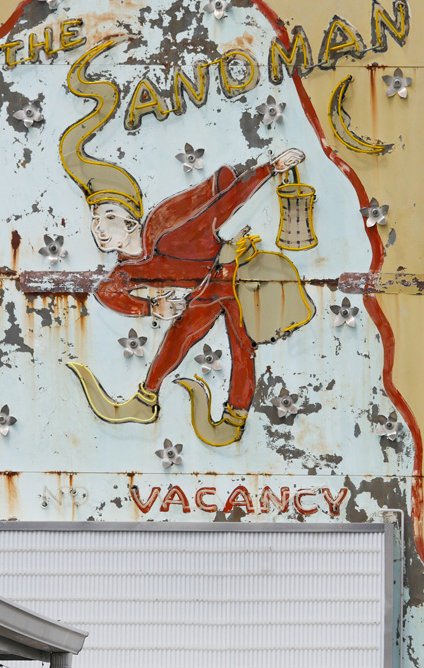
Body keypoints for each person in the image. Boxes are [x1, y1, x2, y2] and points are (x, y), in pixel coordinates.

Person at [68, 148, 306, 446]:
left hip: (232, 268)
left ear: (130, 223)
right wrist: (152, 307)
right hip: (212, 277)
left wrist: (270, 168)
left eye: (109, 217)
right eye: (95, 219)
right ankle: (153, 401)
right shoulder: (131, 265)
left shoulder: (169, 233)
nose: (99, 228)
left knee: (240, 340)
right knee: (184, 330)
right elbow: (107, 292)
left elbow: (224, 205)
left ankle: (231, 416)